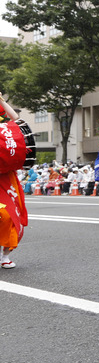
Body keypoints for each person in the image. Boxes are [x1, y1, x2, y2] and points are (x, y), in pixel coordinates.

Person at [0, 95, 32, 269]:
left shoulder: (4, 130)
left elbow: (17, 121)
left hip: (8, 178)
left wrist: (2, 101)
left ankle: (5, 255)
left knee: (12, 217)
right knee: (2, 216)